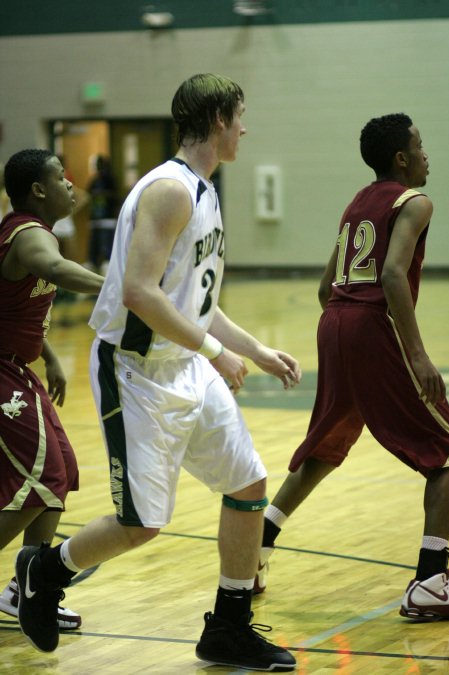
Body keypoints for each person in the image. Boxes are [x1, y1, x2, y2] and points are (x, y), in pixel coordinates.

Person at [14, 74, 300, 670]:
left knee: (247, 485)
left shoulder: (205, 189)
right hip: (136, 372)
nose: (245, 128)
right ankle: (45, 570)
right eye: (240, 116)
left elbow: (193, 299)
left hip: (184, 363)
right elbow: (142, 293)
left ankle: (228, 625)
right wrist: (218, 354)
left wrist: (255, 349)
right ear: (219, 118)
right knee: (141, 525)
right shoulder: (169, 189)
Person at [255, 113, 449, 621]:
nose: (428, 154)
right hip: (370, 325)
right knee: (446, 451)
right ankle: (431, 580)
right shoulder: (416, 202)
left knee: (326, 444)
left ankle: (258, 545)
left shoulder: (356, 204)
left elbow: (325, 288)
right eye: (421, 146)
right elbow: (391, 275)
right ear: (402, 158)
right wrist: (417, 354)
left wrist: (347, 336)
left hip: (335, 323)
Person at [0, 149, 103, 629]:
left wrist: (50, 354)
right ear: (38, 190)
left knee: (58, 475)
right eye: (62, 178)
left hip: (17, 367)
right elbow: (57, 271)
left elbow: (18, 309)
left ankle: (26, 590)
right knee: (40, 481)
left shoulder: (28, 232)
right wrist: (123, 286)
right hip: (1, 372)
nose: (72, 186)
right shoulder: (28, 234)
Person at [85, 155, 118, 275]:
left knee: (106, 249)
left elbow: (115, 195)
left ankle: (107, 275)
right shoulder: (95, 180)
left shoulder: (110, 179)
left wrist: (102, 193)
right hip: (95, 219)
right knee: (93, 250)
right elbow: (88, 192)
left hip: (107, 219)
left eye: (100, 164)